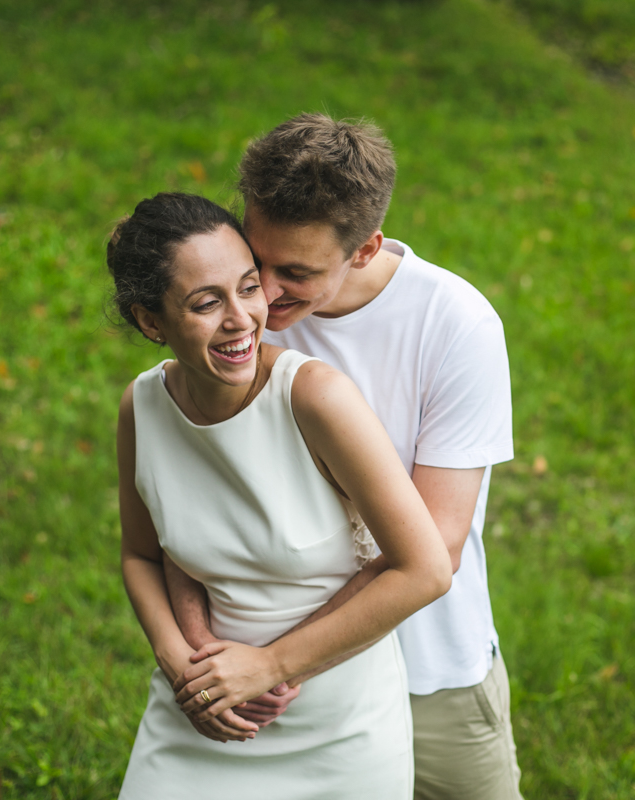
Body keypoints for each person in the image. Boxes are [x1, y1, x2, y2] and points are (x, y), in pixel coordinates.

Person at [165, 114, 524, 800]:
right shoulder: (232, 320)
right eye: (257, 261)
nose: (265, 295)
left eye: (296, 272)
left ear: (365, 249)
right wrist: (206, 657)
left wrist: (280, 663)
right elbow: (186, 493)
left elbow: (437, 547)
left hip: (427, 674)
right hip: (260, 688)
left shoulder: (456, 325)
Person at [109, 192, 452, 799]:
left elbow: (425, 570)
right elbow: (141, 555)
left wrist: (271, 666)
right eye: (206, 303)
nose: (241, 318)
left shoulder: (316, 399)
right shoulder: (143, 407)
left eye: (249, 288)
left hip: (337, 735)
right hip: (199, 712)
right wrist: (178, 661)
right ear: (151, 321)